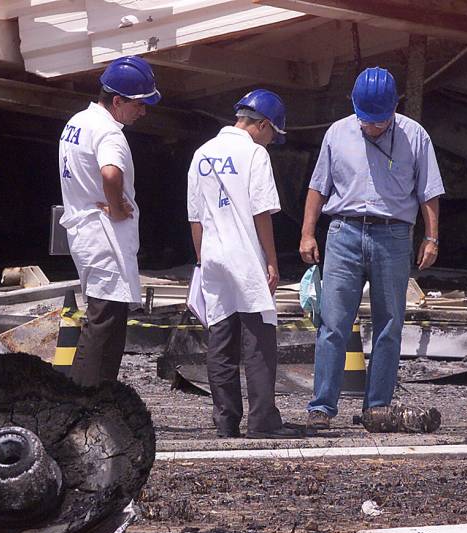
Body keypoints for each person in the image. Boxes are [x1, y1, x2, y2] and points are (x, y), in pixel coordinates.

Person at [299, 67, 444, 431]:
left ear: (394, 108)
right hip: (344, 232)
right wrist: (307, 233)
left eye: (379, 121)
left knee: (389, 324)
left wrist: (431, 237)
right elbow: (318, 187)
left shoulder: (415, 136)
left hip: (393, 235)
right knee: (332, 322)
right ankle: (322, 407)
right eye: (366, 120)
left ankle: (376, 408)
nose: (372, 127)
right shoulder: (337, 133)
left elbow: (429, 191)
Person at [187, 89, 300, 439]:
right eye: (272, 135)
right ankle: (262, 419)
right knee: (258, 338)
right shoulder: (254, 155)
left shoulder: (202, 153)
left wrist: (202, 259)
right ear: (263, 125)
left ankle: (226, 420)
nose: (270, 142)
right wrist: (270, 259)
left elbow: (196, 217)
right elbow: (260, 211)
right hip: (245, 254)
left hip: (213, 254)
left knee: (220, 337)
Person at [58, 56, 160, 386]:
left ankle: (90, 395)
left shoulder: (77, 122)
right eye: (139, 104)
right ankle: (88, 399)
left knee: (102, 319)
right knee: (104, 324)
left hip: (84, 231)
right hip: (104, 236)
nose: (143, 112)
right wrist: (116, 207)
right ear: (117, 101)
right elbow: (110, 173)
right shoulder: (109, 133)